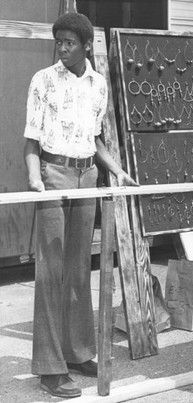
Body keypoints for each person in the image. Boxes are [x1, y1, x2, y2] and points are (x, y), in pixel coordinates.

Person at [23, 12, 137, 398]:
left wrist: (116, 171)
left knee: (78, 271)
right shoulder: (43, 80)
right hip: (53, 176)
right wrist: (36, 179)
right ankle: (50, 369)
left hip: (88, 176)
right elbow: (31, 142)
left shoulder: (98, 85)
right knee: (50, 273)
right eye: (59, 42)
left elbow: (96, 140)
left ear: (87, 45)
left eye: (70, 42)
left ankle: (77, 353)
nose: (63, 48)